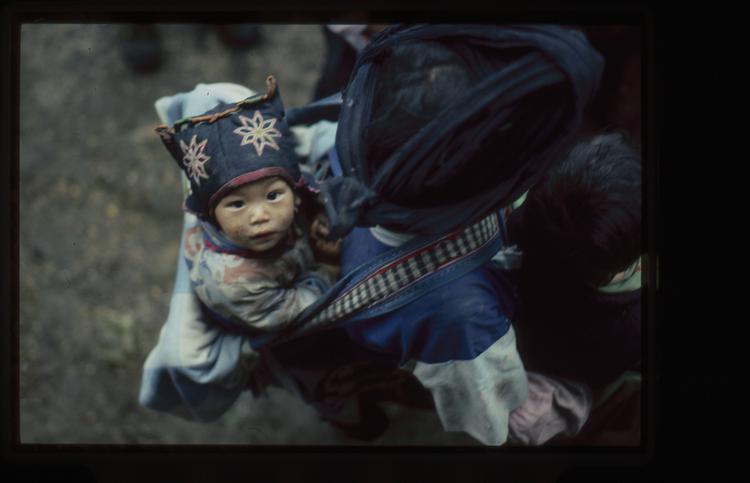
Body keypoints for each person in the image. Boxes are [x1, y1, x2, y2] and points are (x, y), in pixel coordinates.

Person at [261, 24, 605, 445]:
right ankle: (360, 423)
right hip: (383, 351)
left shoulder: (357, 138)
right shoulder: (462, 315)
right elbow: (488, 413)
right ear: (473, 180)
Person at [139, 77, 340, 420]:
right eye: (235, 205)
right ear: (210, 216)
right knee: (321, 374)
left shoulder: (294, 197)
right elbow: (293, 313)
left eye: (274, 195)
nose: (259, 215)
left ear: (295, 190)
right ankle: (345, 416)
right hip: (272, 324)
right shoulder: (234, 280)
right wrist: (327, 268)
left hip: (291, 270)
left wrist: (318, 213)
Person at [507, 132, 643, 445]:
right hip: (575, 375)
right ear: (623, 267)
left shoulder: (524, 227)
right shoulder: (631, 324)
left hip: (534, 344)